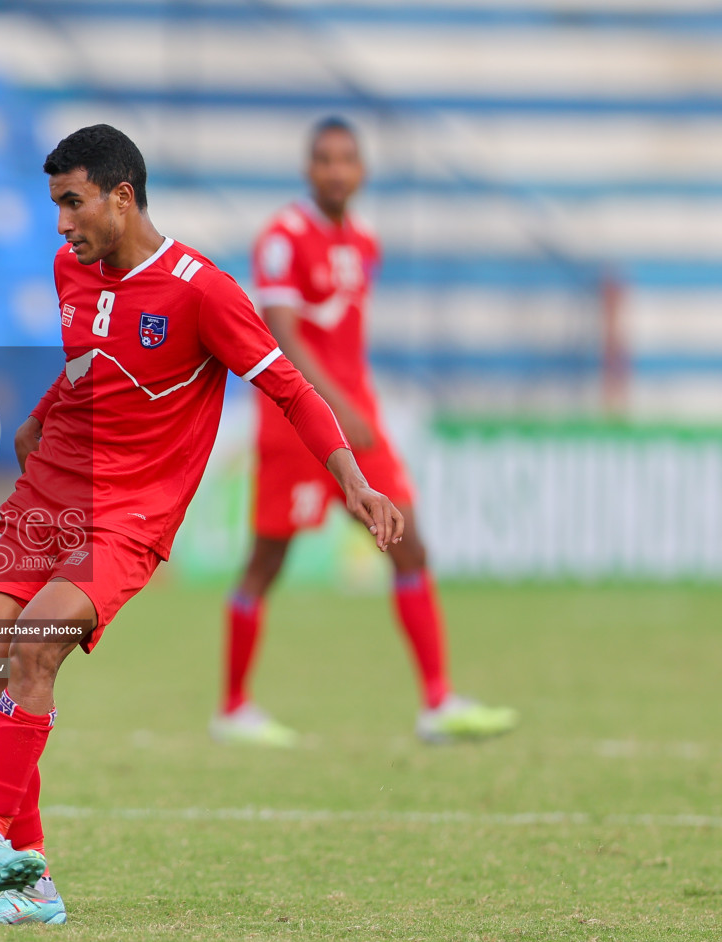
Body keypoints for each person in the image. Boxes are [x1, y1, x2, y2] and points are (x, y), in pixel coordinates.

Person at [0, 124, 403, 925]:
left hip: (129, 515)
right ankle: (32, 886)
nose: (61, 224)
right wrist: (41, 413)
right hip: (49, 494)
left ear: (122, 196)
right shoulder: (71, 270)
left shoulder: (201, 291)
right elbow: (92, 363)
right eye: (55, 205)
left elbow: (291, 389)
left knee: (34, 645)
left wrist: (354, 483)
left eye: (72, 203)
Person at [210, 116, 519, 748]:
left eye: (346, 159)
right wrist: (334, 403)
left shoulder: (364, 244)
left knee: (409, 544)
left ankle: (438, 701)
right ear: (307, 168)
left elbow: (343, 336)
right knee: (266, 563)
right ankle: (234, 707)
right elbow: (283, 332)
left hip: (358, 418)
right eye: (323, 158)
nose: (335, 170)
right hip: (300, 424)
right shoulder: (283, 238)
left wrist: (355, 406)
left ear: (363, 171)